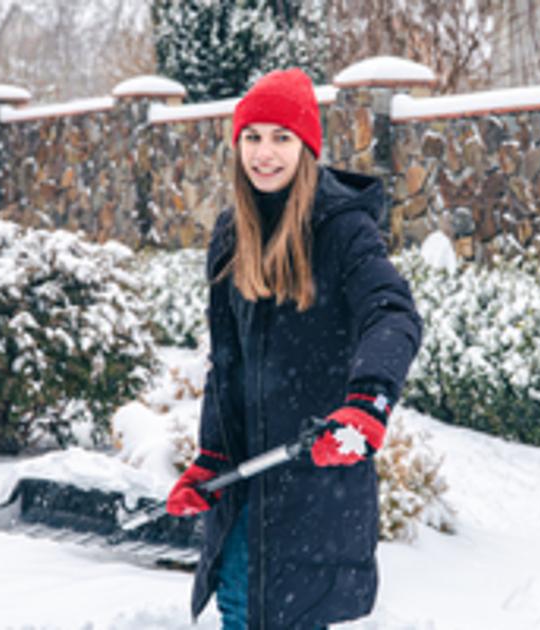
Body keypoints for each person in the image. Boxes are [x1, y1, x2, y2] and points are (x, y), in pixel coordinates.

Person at [166, 68, 422, 629]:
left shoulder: (343, 230)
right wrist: (212, 455)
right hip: (247, 484)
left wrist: (368, 402)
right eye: (252, 136)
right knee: (239, 604)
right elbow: (227, 362)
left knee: (290, 615)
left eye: (281, 137)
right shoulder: (232, 234)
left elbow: (392, 314)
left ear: (307, 146)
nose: (265, 153)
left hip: (317, 478)